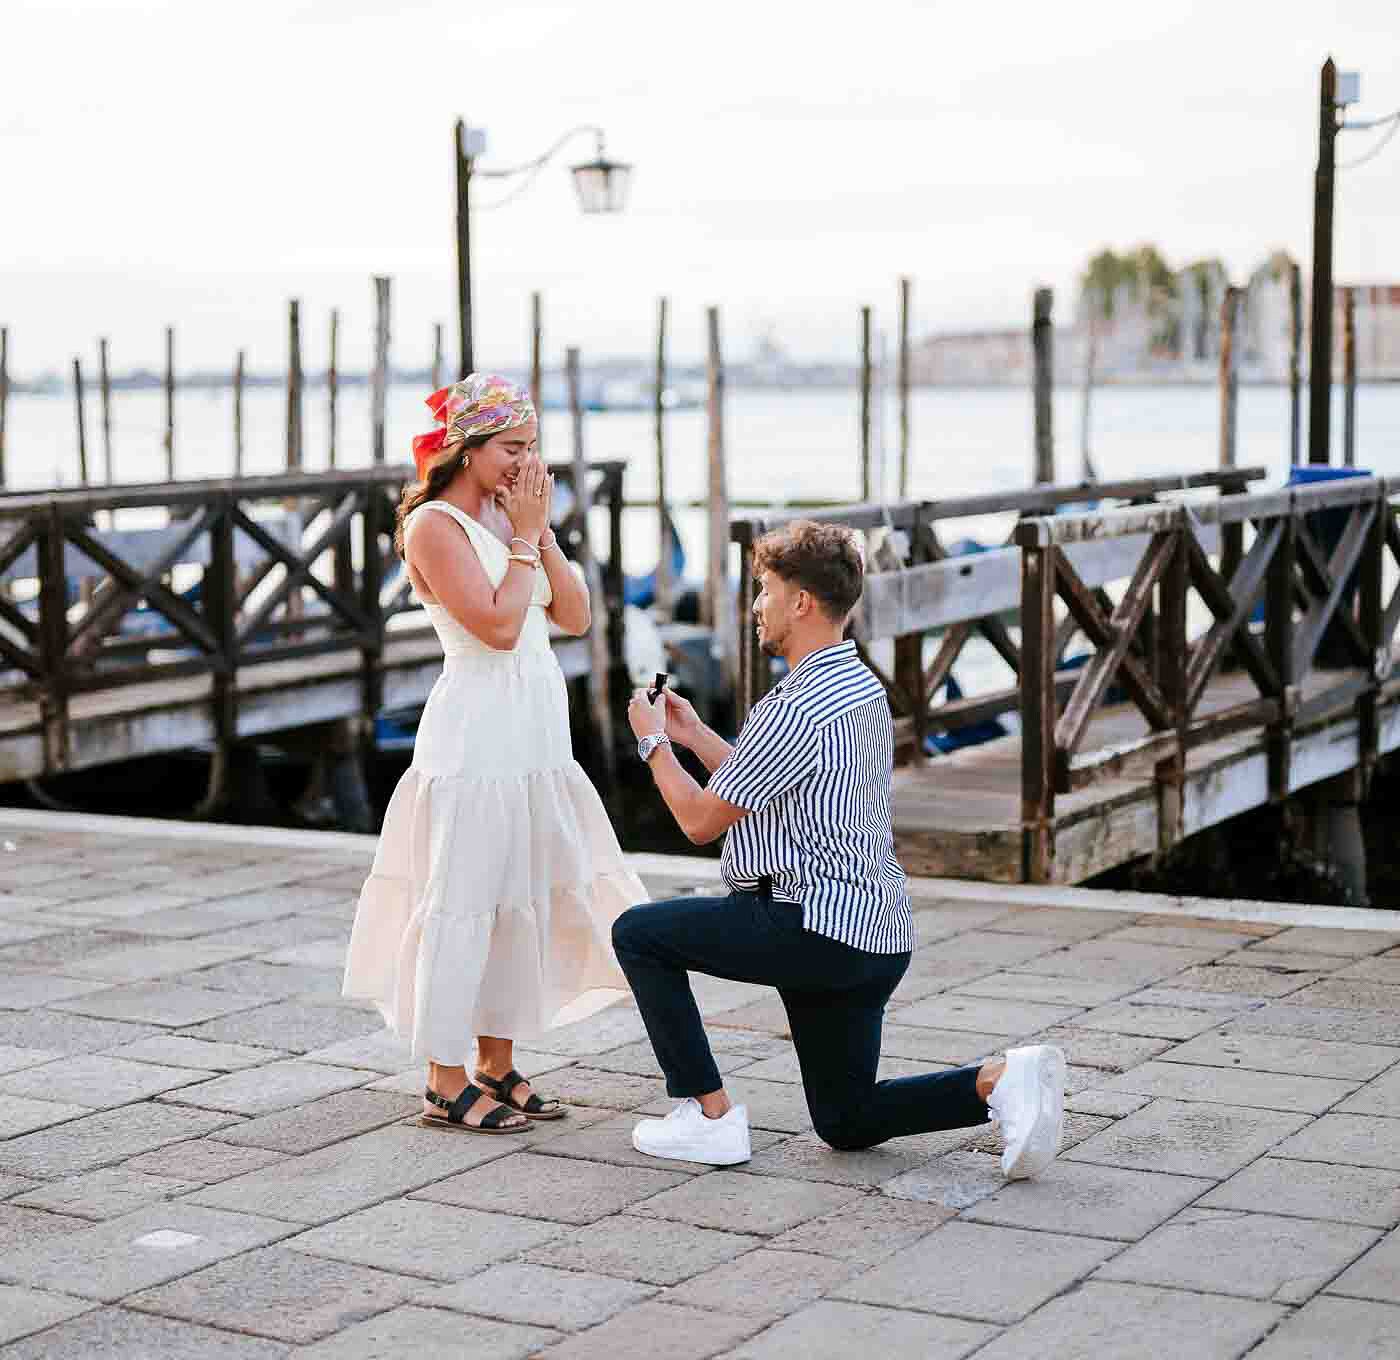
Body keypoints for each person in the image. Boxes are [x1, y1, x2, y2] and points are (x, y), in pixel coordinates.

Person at [617, 519, 1065, 1172]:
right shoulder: (856, 685)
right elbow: (770, 782)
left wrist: (652, 741)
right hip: (873, 935)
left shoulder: (793, 703)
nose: (756, 607)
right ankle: (999, 1080)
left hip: (809, 929)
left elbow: (699, 821)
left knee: (638, 933)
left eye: (765, 590)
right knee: (846, 1119)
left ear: (801, 601)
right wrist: (694, 737)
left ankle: (707, 1115)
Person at [344, 375, 645, 1135]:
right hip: (476, 735)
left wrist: (538, 532)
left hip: (536, 733)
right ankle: (443, 1079)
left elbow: (573, 616)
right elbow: (497, 627)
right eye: (511, 448)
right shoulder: (434, 527)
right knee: (464, 896)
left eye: (532, 448)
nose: (524, 462)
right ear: (468, 449)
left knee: (521, 897)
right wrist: (520, 539)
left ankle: (497, 1060)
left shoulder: (517, 519)